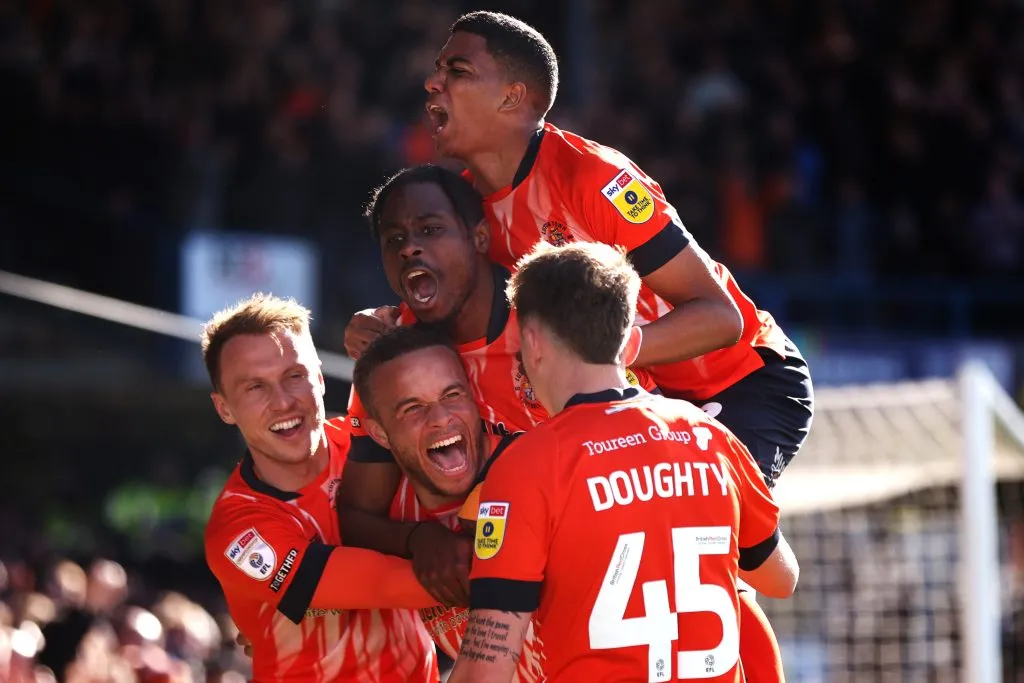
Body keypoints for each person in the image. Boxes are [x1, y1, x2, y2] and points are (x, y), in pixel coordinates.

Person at [410, 10, 814, 491]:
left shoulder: (594, 177)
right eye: (438, 68)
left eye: (457, 70)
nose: (433, 82)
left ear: (512, 97)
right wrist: (388, 322)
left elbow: (721, 317)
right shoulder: (463, 209)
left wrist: (609, 351)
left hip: (743, 380)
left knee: (699, 518)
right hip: (641, 400)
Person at [447, 241, 800, 683]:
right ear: (629, 340)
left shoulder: (524, 467)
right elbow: (781, 579)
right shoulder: (711, 437)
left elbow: (485, 671)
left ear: (531, 342)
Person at [337, 164, 653, 604]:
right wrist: (419, 539)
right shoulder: (391, 358)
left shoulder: (557, 326)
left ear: (480, 238)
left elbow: (642, 460)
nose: (410, 248)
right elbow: (356, 514)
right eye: (394, 239)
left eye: (430, 229)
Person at [200, 293, 439, 682]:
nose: (283, 402)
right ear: (224, 408)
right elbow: (384, 584)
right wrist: (512, 564)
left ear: (321, 377)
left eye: (295, 375)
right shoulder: (237, 531)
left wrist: (383, 324)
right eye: (255, 387)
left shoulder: (376, 440)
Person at [351, 323, 545, 682]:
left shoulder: (540, 472)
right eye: (412, 408)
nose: (440, 419)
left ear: (473, 397)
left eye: (452, 395)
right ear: (379, 433)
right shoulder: (388, 514)